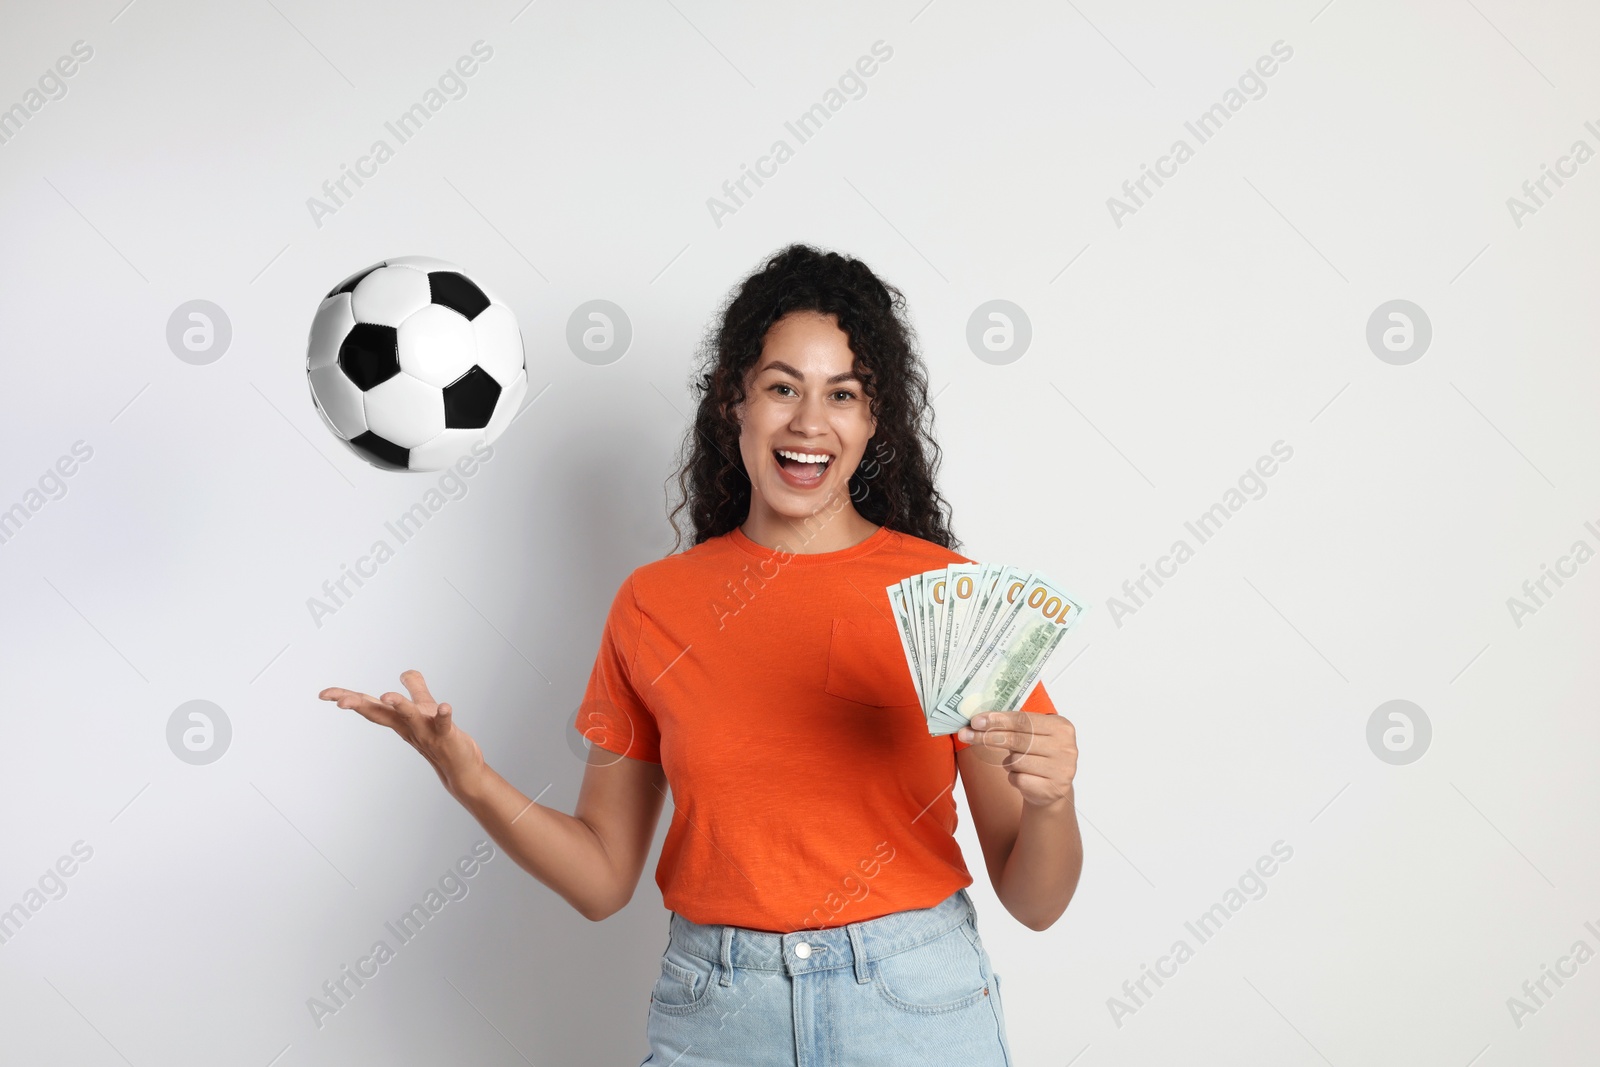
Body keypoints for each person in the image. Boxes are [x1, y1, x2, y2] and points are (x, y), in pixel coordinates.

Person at [320, 244, 1084, 1066]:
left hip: (912, 1006)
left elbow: (1036, 902)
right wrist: (468, 778)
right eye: (782, 386)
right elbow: (603, 877)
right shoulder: (654, 604)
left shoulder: (953, 601)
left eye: (843, 394)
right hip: (719, 1012)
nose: (808, 421)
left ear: (873, 419)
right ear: (735, 402)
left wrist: (1051, 802)